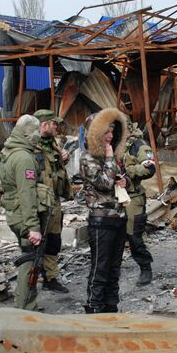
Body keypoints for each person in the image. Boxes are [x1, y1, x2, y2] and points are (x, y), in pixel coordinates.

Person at [0, 114, 52, 311]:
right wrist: (33, 227)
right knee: (30, 261)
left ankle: (28, 303)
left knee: (28, 257)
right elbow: (27, 193)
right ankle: (25, 307)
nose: (39, 135)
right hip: (24, 215)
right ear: (28, 133)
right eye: (36, 131)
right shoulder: (23, 158)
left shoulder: (7, 152)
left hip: (13, 212)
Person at [79, 108, 128, 313]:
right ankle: (94, 308)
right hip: (101, 220)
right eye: (106, 132)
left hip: (119, 216)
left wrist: (125, 180)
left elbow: (119, 180)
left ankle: (111, 307)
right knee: (100, 268)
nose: (110, 136)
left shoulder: (114, 157)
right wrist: (109, 158)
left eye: (112, 132)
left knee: (114, 269)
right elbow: (104, 184)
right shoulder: (87, 159)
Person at [33, 109, 72, 293]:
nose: (56, 127)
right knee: (36, 241)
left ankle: (50, 277)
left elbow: (55, 169)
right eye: (53, 123)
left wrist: (65, 157)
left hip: (54, 201)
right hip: (37, 202)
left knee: (54, 240)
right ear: (44, 125)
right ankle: (32, 275)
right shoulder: (31, 146)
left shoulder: (53, 144)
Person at [122, 115, 156, 286]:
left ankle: (145, 267)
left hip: (132, 198)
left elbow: (150, 168)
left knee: (134, 236)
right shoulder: (113, 144)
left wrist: (128, 172)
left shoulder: (138, 146)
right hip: (112, 198)